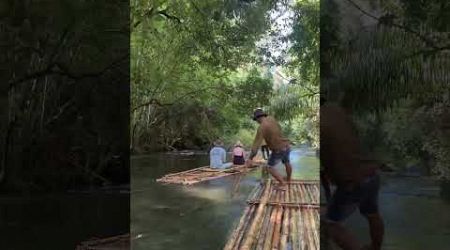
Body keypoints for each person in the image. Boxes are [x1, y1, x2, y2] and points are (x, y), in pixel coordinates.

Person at [320, 99, 384, 250]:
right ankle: (376, 247)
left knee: (331, 224)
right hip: (371, 172)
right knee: (372, 214)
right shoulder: (336, 109)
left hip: (353, 181)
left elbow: (329, 157)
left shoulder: (320, 122)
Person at [246, 108, 292, 190]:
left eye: (256, 120)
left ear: (258, 118)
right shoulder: (272, 119)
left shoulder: (261, 128)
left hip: (278, 148)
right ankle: (288, 179)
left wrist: (250, 158)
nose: (257, 122)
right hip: (287, 145)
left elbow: (255, 147)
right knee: (287, 162)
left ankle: (282, 184)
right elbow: (277, 132)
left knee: (269, 167)